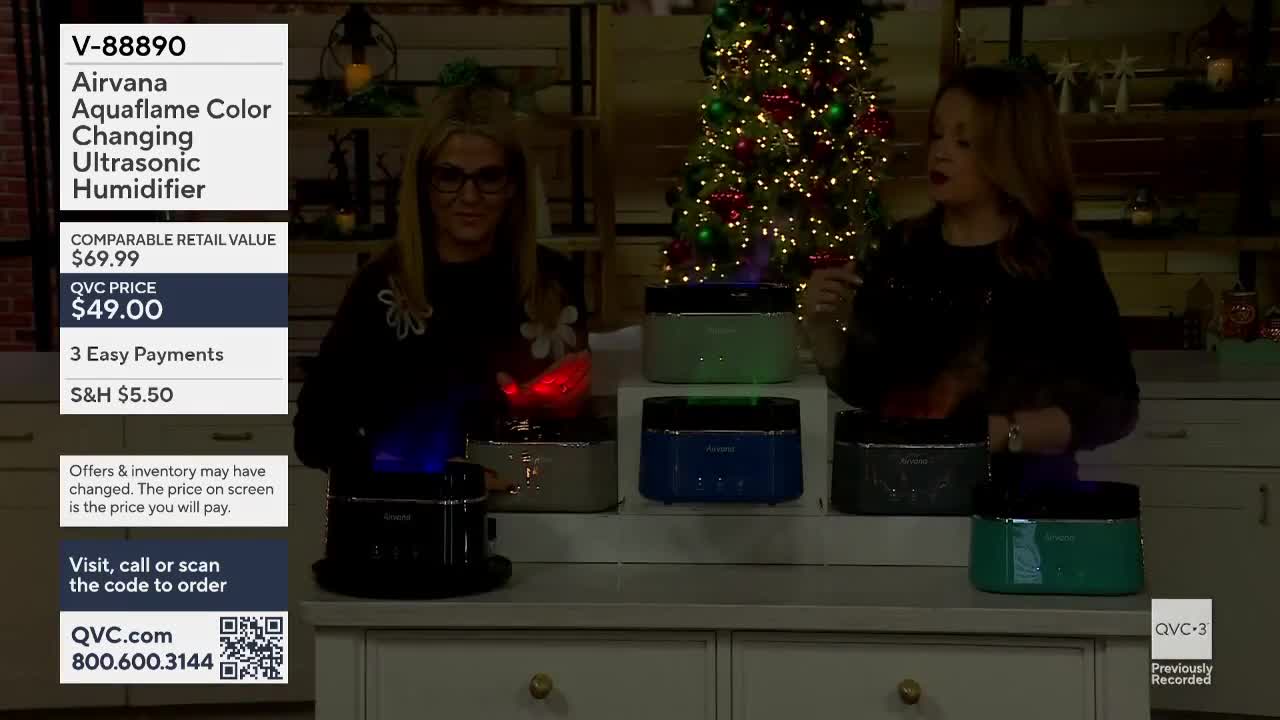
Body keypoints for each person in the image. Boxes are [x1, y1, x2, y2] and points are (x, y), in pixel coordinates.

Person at [801, 65, 1139, 487]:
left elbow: (1114, 407)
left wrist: (1003, 433)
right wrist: (822, 329)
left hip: (1022, 499)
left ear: (1012, 154)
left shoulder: (1060, 261)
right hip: (904, 494)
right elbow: (869, 389)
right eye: (937, 135)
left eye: (964, 142)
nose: (941, 152)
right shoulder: (903, 249)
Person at [293, 86, 592, 484]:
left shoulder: (554, 282)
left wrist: (547, 409)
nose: (470, 196)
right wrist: (424, 476)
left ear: (512, 186)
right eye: (449, 176)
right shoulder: (381, 289)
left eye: (488, 176)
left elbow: (580, 431)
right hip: (411, 523)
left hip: (534, 515)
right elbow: (314, 434)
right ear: (424, 184)